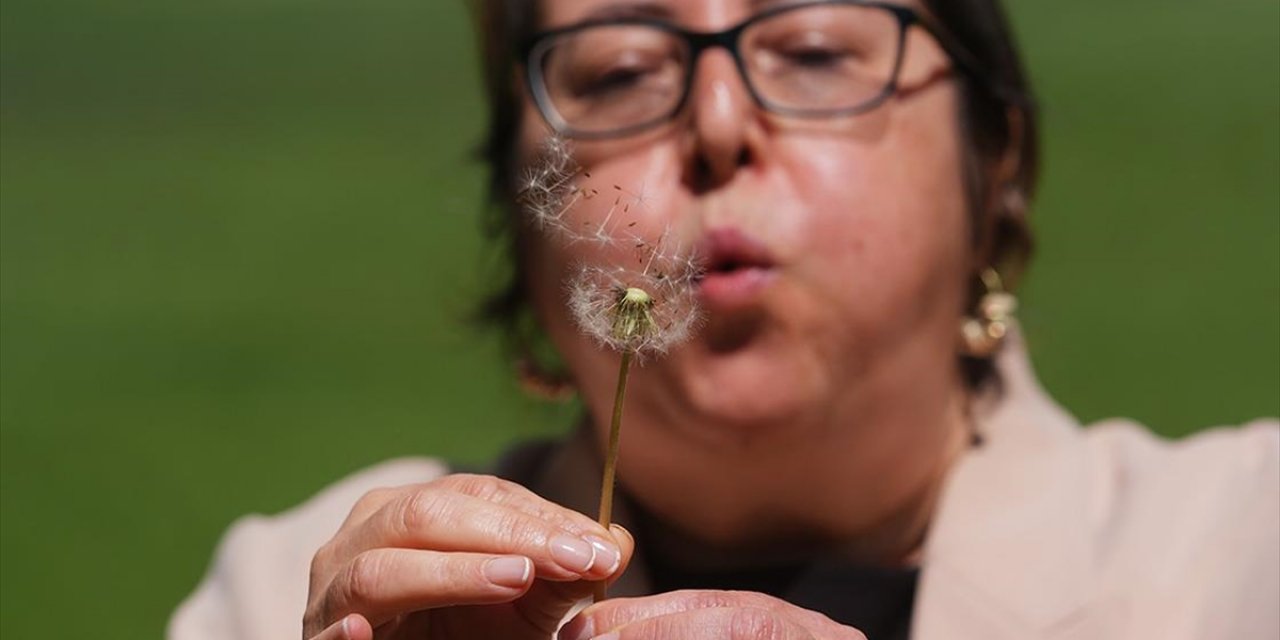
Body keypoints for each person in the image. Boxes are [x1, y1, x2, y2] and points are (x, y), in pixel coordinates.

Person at [169, 1, 1279, 639]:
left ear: (995, 170)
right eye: (618, 73)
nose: (714, 121)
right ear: (516, 222)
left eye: (815, 52)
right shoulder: (300, 595)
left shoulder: (1244, 554)